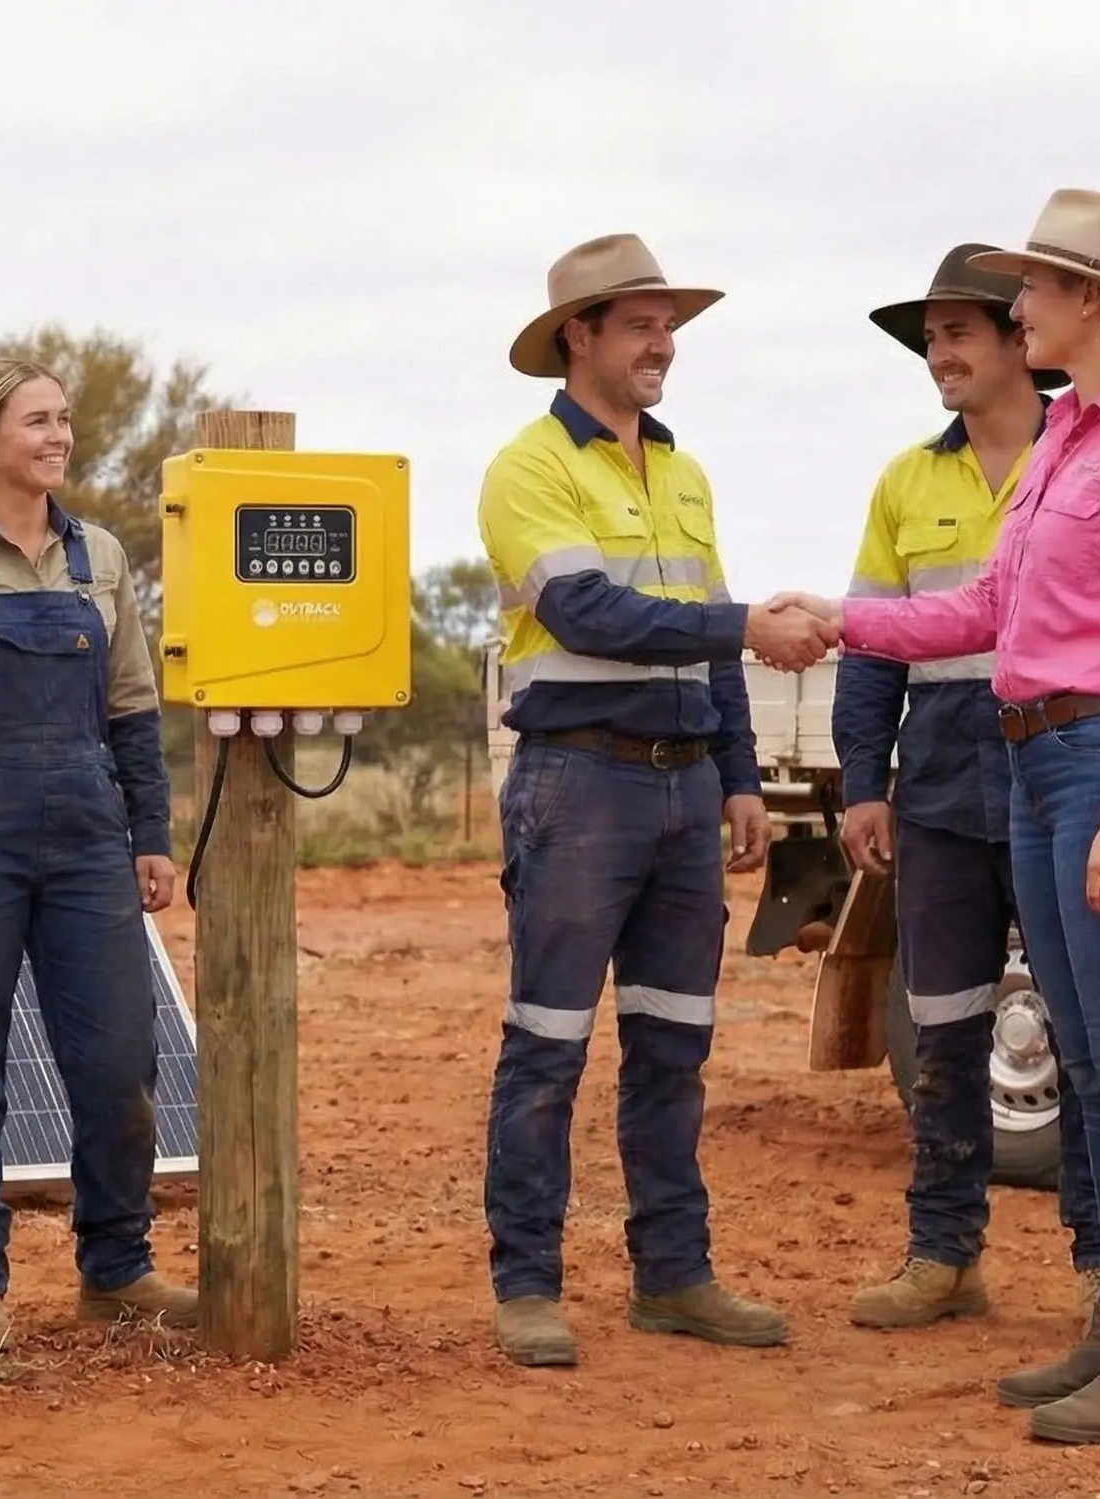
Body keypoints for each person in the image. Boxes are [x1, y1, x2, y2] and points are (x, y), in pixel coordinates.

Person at [773, 189, 1100, 1445]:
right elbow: (983, 615)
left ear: (1094, 302)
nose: (1011, 305)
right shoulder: (1069, 439)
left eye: (1028, 288)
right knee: (1092, 1062)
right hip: (1031, 765)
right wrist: (844, 618)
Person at [477, 232, 835, 1367]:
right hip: (576, 785)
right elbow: (591, 616)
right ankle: (527, 1284)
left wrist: (740, 777)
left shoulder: (683, 472)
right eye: (640, 322)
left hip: (685, 796)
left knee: (673, 1045)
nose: (663, 342)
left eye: (668, 323)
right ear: (576, 336)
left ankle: (674, 1276)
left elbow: (706, 641)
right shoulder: (528, 469)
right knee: (548, 1043)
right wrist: (741, 626)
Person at [0, 356, 191, 1350]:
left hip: (92, 830)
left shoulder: (100, 556)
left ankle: (118, 1267)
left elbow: (134, 705)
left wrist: (151, 835)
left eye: (64, 421)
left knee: (120, 1061)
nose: (58, 436)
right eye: (37, 421)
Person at [834, 245, 1100, 1330]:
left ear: (1014, 341)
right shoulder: (906, 478)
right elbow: (870, 650)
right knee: (943, 1025)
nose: (938, 353)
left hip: (1059, 768)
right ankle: (944, 1256)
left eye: (958, 332)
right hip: (941, 780)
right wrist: (863, 782)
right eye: (929, 337)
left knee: (1082, 1030)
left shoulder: (1085, 454)